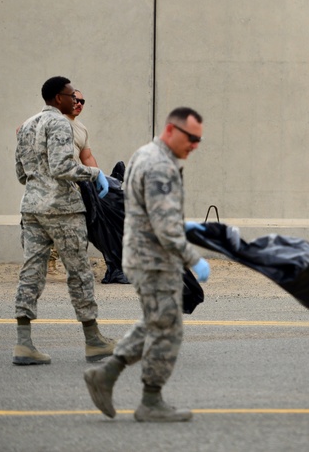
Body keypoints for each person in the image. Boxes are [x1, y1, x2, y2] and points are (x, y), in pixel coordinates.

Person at [84, 107, 212, 422]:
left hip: (140, 255)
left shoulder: (145, 153)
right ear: (171, 130)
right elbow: (165, 225)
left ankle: (107, 374)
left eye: (199, 140)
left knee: (159, 320)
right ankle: (150, 401)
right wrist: (193, 258)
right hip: (154, 260)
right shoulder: (160, 166)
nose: (195, 145)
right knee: (168, 327)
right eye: (191, 138)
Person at [12, 76, 113, 365]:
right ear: (58, 98)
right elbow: (62, 167)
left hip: (32, 208)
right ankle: (94, 341)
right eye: (71, 95)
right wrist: (96, 174)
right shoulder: (59, 124)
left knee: (31, 272)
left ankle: (23, 344)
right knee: (79, 272)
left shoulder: (26, 125)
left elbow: (21, 175)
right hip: (62, 209)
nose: (75, 100)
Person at [48, 88, 99, 274]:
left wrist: (98, 177)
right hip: (53, 184)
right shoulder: (52, 121)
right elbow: (21, 130)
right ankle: (50, 266)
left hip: (73, 184)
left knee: (75, 225)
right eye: (75, 100)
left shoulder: (81, 128)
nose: (79, 104)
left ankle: (71, 267)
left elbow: (87, 157)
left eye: (82, 102)